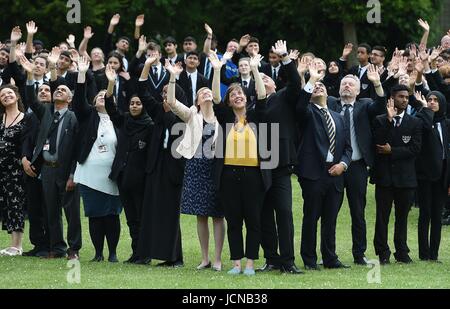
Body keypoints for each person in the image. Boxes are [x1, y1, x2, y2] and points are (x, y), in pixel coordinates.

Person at [165, 53, 225, 271]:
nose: (207, 94)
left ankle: (218, 259)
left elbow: (217, 96)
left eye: (209, 92)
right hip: (196, 167)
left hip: (216, 167)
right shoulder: (192, 114)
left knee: (218, 214)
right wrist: (172, 77)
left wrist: (216, 69)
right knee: (201, 214)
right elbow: (171, 102)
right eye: (202, 93)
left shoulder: (221, 117)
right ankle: (205, 258)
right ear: (197, 101)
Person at [214, 53, 269, 276]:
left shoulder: (256, 116)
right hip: (228, 174)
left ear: (246, 97)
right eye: (233, 94)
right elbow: (216, 99)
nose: (237, 96)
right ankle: (236, 263)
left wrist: (255, 69)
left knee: (253, 220)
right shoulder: (226, 118)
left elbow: (263, 97)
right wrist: (217, 69)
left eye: (240, 93)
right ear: (229, 101)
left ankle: (250, 264)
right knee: (234, 220)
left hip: (254, 175)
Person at [325, 67, 386, 265]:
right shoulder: (331, 104)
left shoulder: (365, 105)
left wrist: (377, 83)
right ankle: (329, 255)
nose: (347, 86)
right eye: (344, 84)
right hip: (333, 168)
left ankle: (359, 254)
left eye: (351, 84)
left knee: (358, 213)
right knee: (330, 211)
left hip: (357, 167)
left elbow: (380, 106)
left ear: (358, 91)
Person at [24, 48, 81, 260]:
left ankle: (74, 249)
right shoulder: (46, 112)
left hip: (67, 171)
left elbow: (76, 149)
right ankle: (57, 248)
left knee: (71, 212)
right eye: (57, 90)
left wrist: (73, 174)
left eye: (63, 91)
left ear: (71, 98)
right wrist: (30, 73)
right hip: (47, 170)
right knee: (51, 211)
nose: (58, 92)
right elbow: (30, 98)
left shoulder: (74, 118)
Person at [296, 62, 353, 270]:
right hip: (313, 174)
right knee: (311, 218)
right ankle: (309, 260)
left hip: (336, 174)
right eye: (315, 87)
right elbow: (300, 104)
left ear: (329, 93)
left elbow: (348, 148)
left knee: (330, 219)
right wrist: (311, 80)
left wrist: (343, 165)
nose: (319, 87)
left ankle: (330, 258)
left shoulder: (338, 117)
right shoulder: (307, 112)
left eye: (322, 86)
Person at [372, 84, 432, 264]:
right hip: (384, 178)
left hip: (406, 179)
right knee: (382, 217)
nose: (404, 100)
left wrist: (393, 151)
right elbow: (378, 144)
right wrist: (389, 122)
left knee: (402, 217)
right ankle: (382, 253)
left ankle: (402, 252)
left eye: (407, 97)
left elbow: (415, 149)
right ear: (392, 98)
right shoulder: (380, 120)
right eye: (400, 97)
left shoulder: (415, 122)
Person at [135, 57, 186, 266]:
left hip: (173, 169)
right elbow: (143, 91)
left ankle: (174, 257)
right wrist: (147, 65)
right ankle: (146, 254)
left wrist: (168, 111)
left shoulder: (184, 116)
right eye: (163, 93)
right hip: (155, 166)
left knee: (170, 213)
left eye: (169, 92)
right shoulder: (157, 110)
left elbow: (175, 131)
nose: (165, 96)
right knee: (151, 211)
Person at [258, 41, 303, 274]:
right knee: (264, 215)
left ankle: (288, 261)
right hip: (257, 165)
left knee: (284, 213)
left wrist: (286, 58)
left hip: (281, 163)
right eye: (260, 80)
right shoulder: (251, 103)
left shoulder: (284, 96)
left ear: (275, 84)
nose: (264, 82)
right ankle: (271, 259)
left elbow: (296, 83)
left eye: (267, 80)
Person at [72, 57, 122, 263]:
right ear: (93, 101)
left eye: (106, 96)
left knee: (111, 214)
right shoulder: (87, 116)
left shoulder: (119, 119)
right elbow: (77, 101)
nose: (102, 97)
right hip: (89, 174)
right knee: (94, 214)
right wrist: (82, 73)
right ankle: (98, 253)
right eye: (99, 96)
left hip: (112, 175)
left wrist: (110, 84)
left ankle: (112, 253)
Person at [106, 63, 154, 264]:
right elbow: (110, 108)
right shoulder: (125, 120)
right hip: (123, 177)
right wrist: (111, 83)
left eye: (138, 103)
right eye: (132, 103)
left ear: (143, 106)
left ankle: (145, 254)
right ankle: (136, 253)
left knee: (142, 218)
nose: (135, 106)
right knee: (131, 218)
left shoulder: (150, 126)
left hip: (141, 179)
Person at [414, 91, 450, 262]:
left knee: (437, 215)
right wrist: (424, 109)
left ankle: (434, 255)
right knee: (425, 214)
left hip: (443, 175)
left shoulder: (447, 123)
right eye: (429, 100)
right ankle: (424, 253)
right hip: (426, 175)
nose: (432, 103)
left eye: (436, 100)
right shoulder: (423, 120)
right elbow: (427, 127)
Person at [0, 84, 28, 256]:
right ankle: (12, 244)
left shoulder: (26, 118)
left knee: (16, 204)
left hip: (16, 170)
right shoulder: (0, 118)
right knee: (6, 206)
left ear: (17, 96)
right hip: (1, 169)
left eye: (10, 93)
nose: (6, 96)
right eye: (2, 95)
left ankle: (17, 246)